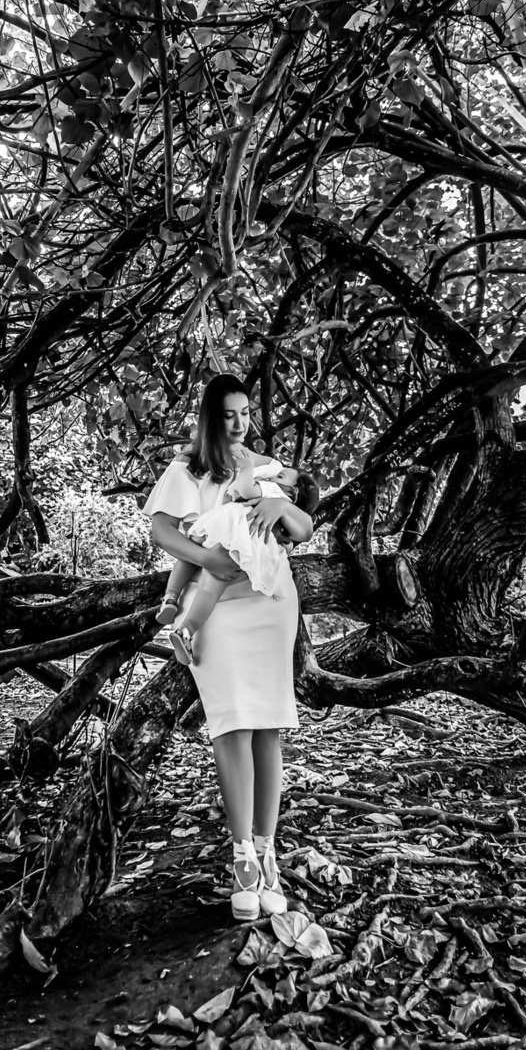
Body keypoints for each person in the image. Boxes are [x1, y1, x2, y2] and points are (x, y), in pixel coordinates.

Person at [143, 373, 314, 923]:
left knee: (268, 727)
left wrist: (278, 509)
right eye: (229, 415)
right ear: (210, 418)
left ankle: (269, 854)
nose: (240, 423)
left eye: (246, 412)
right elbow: (163, 533)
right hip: (216, 604)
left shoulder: (263, 466)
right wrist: (207, 563)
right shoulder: (187, 469)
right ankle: (242, 857)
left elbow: (304, 527)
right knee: (231, 724)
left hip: (269, 599)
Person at [156, 447, 319, 668]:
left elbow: (245, 489)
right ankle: (186, 630)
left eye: (281, 476)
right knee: (210, 588)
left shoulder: (274, 491)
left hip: (217, 526)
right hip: (235, 537)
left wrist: (247, 469)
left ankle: (170, 598)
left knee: (188, 556)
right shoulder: (281, 501)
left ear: (293, 492)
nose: (275, 476)